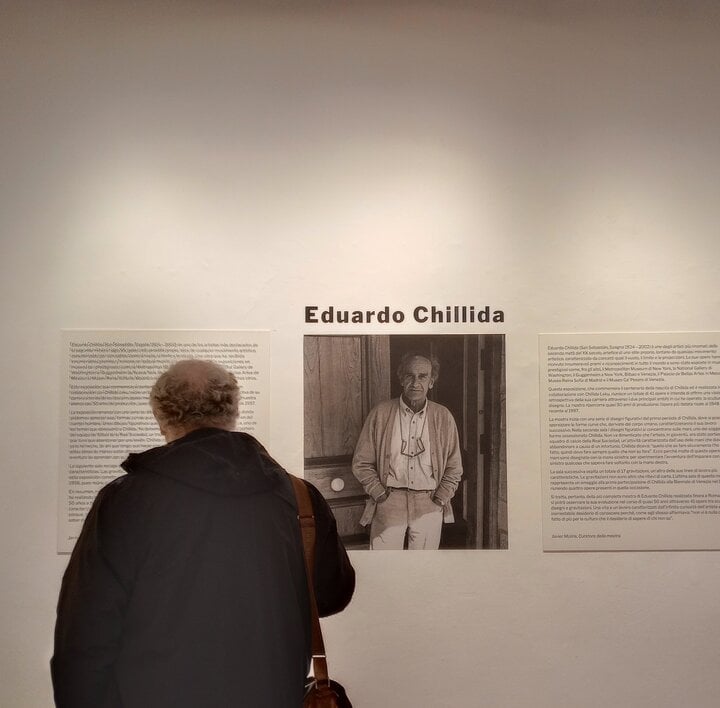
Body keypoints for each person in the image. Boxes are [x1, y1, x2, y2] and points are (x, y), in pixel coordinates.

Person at [52, 359, 354, 708]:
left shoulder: (125, 501)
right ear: (232, 411)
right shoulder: (299, 496)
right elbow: (333, 594)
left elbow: (85, 637)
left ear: (161, 416)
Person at [352, 351, 463, 550]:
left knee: (422, 568)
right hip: (389, 502)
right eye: (409, 375)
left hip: (429, 503)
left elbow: (454, 467)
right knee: (384, 566)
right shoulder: (381, 413)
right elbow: (361, 463)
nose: (415, 382)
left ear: (431, 381)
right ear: (401, 379)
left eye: (423, 376)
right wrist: (379, 494)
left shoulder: (443, 417)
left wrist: (440, 498)